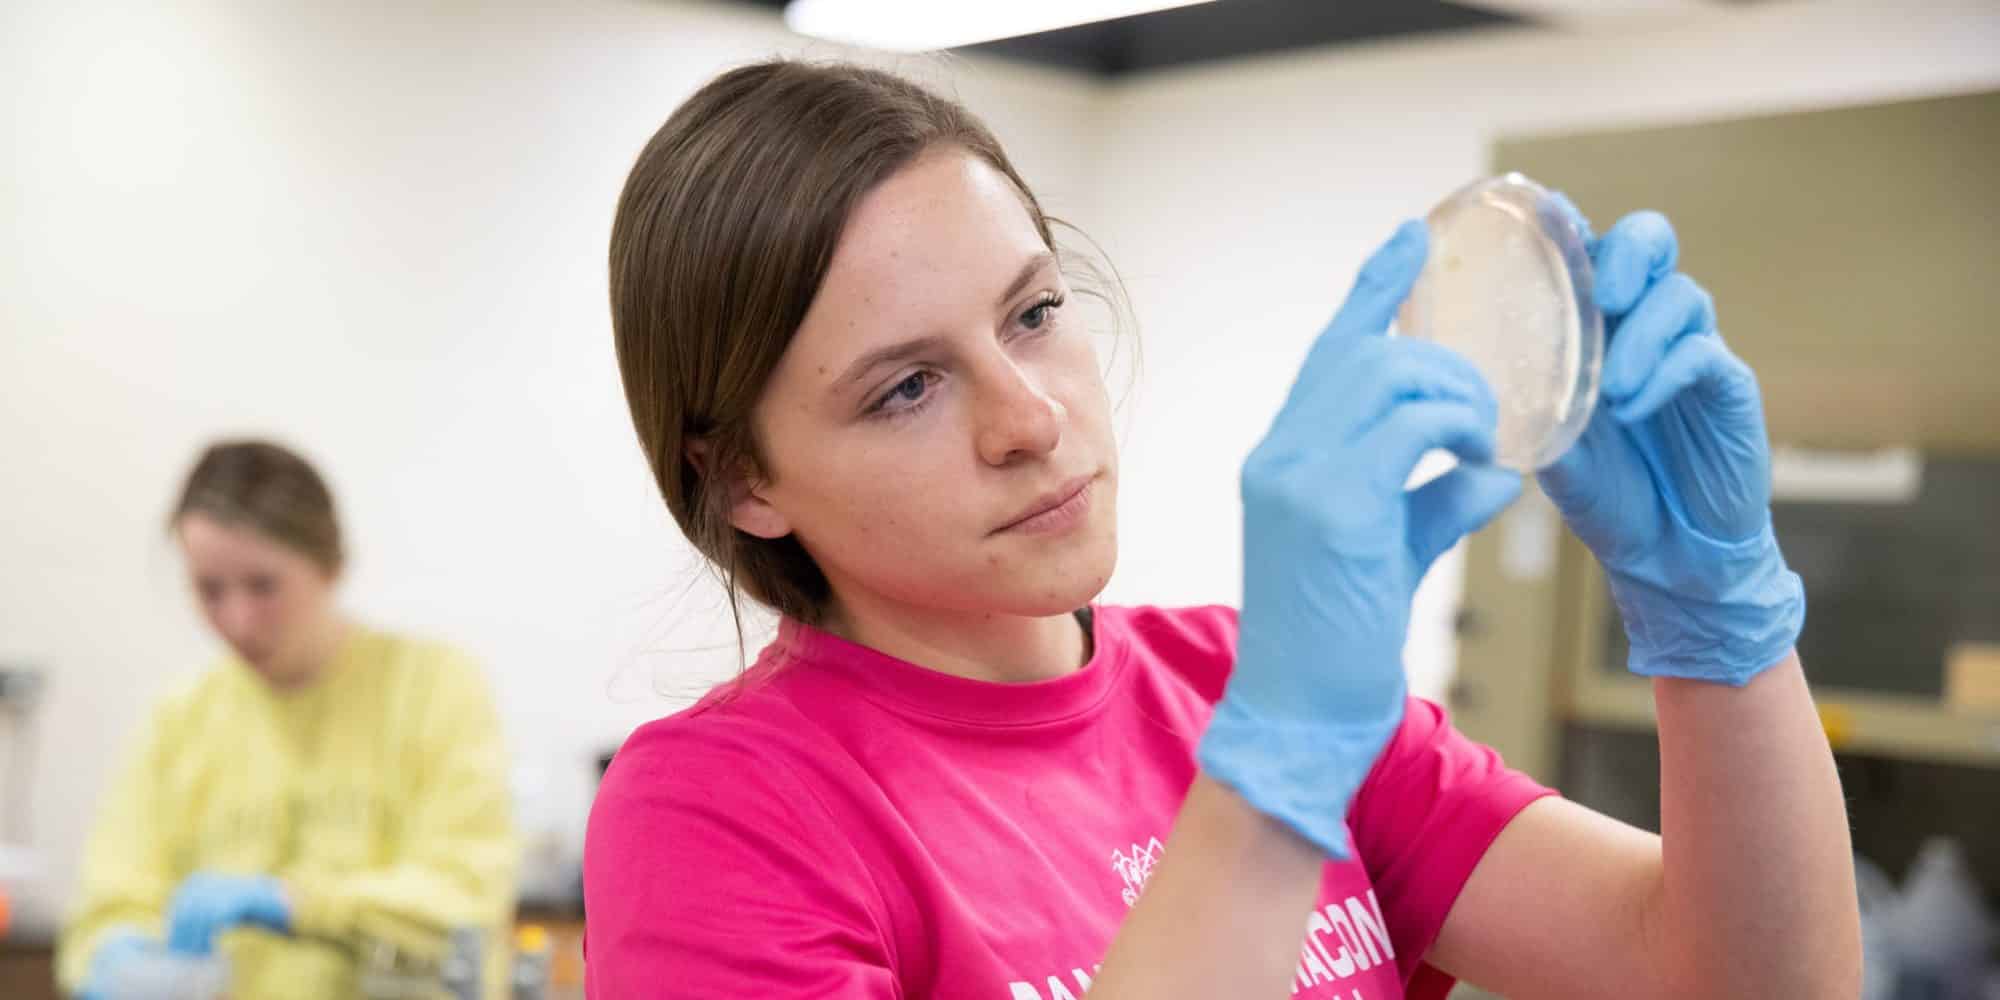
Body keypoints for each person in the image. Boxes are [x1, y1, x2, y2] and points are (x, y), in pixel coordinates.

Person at [584, 61, 1860, 999]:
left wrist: (1716, 616)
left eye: (1031, 313)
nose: (1028, 417)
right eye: (904, 387)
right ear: (744, 478)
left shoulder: (1232, 684)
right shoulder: (719, 811)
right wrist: (1279, 762)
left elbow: (1737, 980)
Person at [58, 440, 520, 999]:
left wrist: (298, 903)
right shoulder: (180, 721)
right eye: (210, 590)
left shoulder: (432, 688)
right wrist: (116, 955)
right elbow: (109, 905)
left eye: (263, 586)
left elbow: (465, 894)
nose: (238, 620)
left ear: (331, 566)